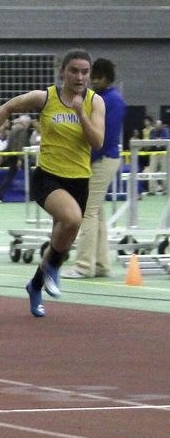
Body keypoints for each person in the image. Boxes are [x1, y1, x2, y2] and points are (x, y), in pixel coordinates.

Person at [0, 48, 105, 317]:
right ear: (63, 71)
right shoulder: (45, 97)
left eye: (85, 72)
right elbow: (7, 108)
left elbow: (97, 141)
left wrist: (81, 114)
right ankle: (51, 268)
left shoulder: (95, 103)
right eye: (74, 70)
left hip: (79, 180)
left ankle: (35, 285)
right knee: (71, 220)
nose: (79, 77)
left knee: (60, 240)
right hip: (48, 177)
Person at [63, 58, 126, 279]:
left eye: (99, 77)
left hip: (102, 158)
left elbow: (105, 137)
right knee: (96, 213)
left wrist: (85, 159)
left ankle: (83, 266)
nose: (95, 81)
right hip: (98, 158)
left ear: (108, 78)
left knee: (87, 212)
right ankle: (101, 265)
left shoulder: (112, 100)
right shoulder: (99, 98)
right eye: (94, 77)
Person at [0, 114, 32, 201]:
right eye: (28, 123)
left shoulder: (14, 128)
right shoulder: (22, 130)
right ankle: (32, 195)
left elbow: (10, 143)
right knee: (30, 175)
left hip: (12, 155)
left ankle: (0, 193)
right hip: (19, 156)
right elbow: (21, 144)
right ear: (26, 122)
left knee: (10, 175)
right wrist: (20, 159)